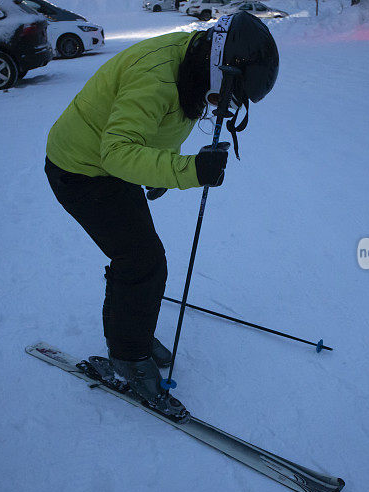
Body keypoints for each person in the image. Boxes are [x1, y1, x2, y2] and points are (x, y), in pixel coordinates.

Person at [44, 13, 279, 417]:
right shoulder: (157, 75)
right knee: (140, 259)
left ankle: (133, 332)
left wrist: (160, 166)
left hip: (108, 164)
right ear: (222, 67)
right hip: (80, 169)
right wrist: (187, 170)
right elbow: (116, 152)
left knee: (144, 258)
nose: (229, 103)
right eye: (233, 92)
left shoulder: (194, 62)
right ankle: (128, 359)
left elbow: (163, 121)